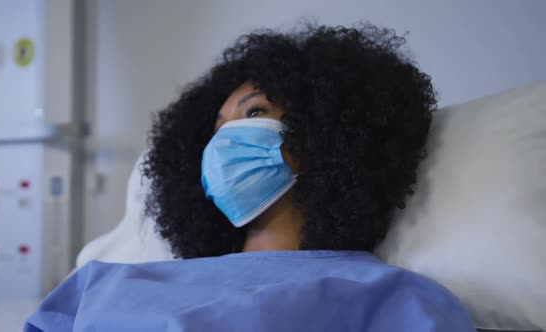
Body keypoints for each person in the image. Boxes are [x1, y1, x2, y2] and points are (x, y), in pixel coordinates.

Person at [25, 24, 476, 331]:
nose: (222, 143)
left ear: (324, 133)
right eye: (216, 128)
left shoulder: (391, 300)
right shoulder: (101, 284)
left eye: (254, 112)